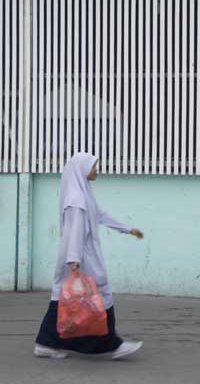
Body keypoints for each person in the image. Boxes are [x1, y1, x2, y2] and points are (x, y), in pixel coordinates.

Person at [34, 152, 144, 360]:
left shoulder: (84, 194)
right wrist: (73, 260)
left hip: (78, 256)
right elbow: (74, 231)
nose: (96, 170)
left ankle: (45, 343)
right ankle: (113, 344)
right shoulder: (77, 199)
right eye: (94, 167)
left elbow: (100, 214)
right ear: (82, 169)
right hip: (79, 258)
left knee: (63, 299)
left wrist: (127, 229)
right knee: (97, 297)